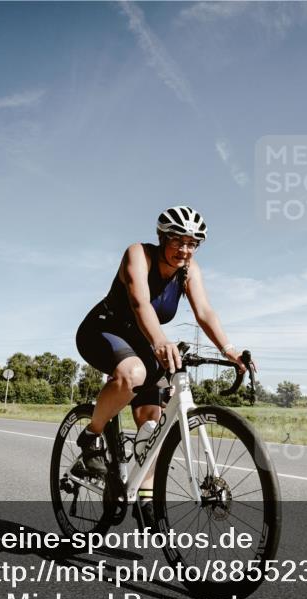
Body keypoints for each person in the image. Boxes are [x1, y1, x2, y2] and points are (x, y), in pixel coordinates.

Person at [74, 206, 253, 525]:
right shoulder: (138, 254)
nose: (185, 249)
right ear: (161, 238)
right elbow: (139, 303)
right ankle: (92, 434)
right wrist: (159, 342)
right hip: (104, 330)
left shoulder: (189, 269)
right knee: (133, 374)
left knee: (152, 420)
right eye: (177, 241)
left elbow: (205, 312)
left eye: (192, 243)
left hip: (144, 339)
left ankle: (144, 496)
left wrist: (229, 350)